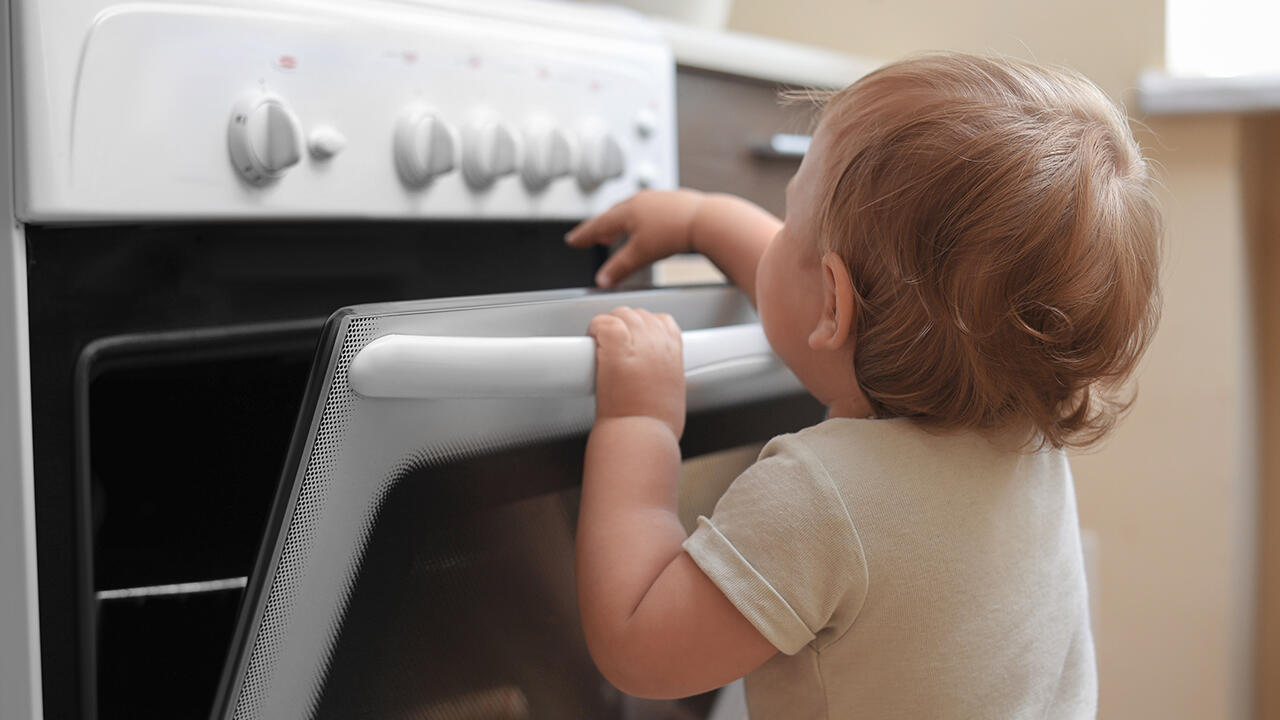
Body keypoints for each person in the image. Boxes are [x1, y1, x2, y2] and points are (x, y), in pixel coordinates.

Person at [566, 52, 1162, 719]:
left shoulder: (817, 498)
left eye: (789, 220)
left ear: (833, 302)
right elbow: (826, 297)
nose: (777, 238)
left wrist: (637, 423)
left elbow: (637, 644)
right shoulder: (1021, 434)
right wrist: (703, 219)